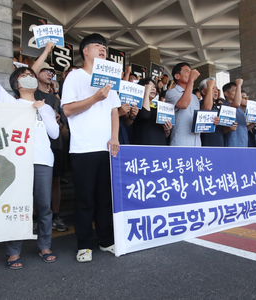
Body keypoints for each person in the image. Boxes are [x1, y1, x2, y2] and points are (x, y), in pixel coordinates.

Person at [0, 36, 59, 269]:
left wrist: (44, 110)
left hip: (44, 161)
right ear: (16, 85)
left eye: (32, 76)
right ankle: (13, 251)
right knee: (17, 206)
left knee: (44, 207)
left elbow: (54, 135)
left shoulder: (44, 105)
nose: (30, 79)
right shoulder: (8, 101)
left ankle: (45, 246)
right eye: (24, 76)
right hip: (17, 163)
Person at [61, 33, 120, 262]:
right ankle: (84, 244)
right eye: (97, 45)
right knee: (85, 199)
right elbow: (67, 110)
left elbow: (114, 110)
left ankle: (106, 241)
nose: (103, 49)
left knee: (105, 199)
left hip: (107, 147)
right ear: (85, 51)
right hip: (83, 148)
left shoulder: (109, 79)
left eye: (104, 46)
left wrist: (115, 137)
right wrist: (95, 98)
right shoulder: (75, 77)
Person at [33, 57, 69, 232]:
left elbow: (63, 130)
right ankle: (34, 217)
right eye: (46, 70)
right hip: (36, 143)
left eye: (52, 72)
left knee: (55, 182)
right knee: (33, 182)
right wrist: (47, 50)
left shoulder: (56, 98)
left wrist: (58, 122)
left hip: (55, 144)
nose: (50, 73)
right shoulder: (31, 93)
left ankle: (55, 216)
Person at [165, 62, 210, 147]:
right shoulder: (171, 92)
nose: (190, 73)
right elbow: (183, 105)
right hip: (180, 142)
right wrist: (191, 80)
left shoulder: (194, 97)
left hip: (196, 143)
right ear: (177, 76)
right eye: (187, 71)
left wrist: (211, 120)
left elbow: (199, 118)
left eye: (190, 71)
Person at [132, 78, 172, 145]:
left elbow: (165, 134)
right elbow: (145, 114)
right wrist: (146, 93)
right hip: (143, 147)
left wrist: (167, 130)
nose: (153, 89)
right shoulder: (136, 105)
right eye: (149, 86)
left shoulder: (158, 108)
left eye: (154, 87)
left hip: (159, 147)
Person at [198, 77, 230, 147]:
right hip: (207, 145)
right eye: (213, 88)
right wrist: (209, 87)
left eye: (216, 88)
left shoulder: (216, 106)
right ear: (203, 92)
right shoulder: (201, 104)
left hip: (219, 144)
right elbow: (207, 109)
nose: (216, 91)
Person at [222, 79, 249, 147]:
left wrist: (254, 122)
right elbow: (236, 104)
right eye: (234, 90)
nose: (237, 93)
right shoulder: (225, 106)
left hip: (243, 144)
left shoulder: (239, 110)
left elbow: (243, 127)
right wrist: (239, 84)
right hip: (231, 144)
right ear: (226, 93)